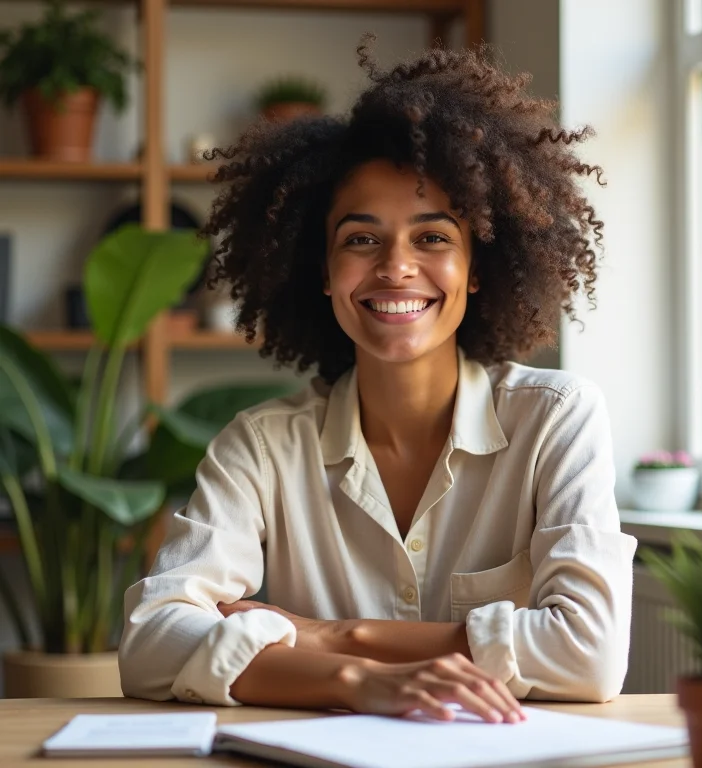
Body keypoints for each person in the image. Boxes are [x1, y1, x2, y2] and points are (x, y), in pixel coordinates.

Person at [119, 37, 637, 722]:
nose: (396, 267)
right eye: (362, 239)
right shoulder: (262, 447)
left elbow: (590, 654)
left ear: (477, 268)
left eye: (432, 238)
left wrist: (338, 636)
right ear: (323, 272)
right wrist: (356, 680)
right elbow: (151, 642)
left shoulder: (557, 419)